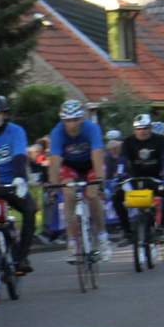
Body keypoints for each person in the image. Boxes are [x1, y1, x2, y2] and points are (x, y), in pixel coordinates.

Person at [46, 100, 111, 261]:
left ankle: (103, 239)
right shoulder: (57, 132)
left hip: (91, 164)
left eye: (76, 120)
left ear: (82, 118)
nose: (72, 125)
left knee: (92, 194)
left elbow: (97, 158)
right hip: (70, 166)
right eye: (68, 121)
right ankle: (72, 242)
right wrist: (52, 186)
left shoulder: (92, 128)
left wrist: (101, 183)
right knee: (68, 195)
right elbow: (55, 162)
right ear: (63, 121)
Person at [0, 95, 36, 275]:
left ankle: (23, 257)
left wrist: (19, 178)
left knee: (30, 210)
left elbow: (19, 155)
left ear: (4, 114)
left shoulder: (16, 131)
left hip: (13, 184)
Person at [112, 113, 164, 246]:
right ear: (134, 130)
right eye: (138, 129)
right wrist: (119, 176)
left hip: (155, 180)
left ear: (150, 128)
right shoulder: (128, 142)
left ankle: (161, 228)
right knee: (116, 195)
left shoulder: (161, 140)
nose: (142, 131)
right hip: (134, 180)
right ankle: (127, 232)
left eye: (145, 128)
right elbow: (122, 160)